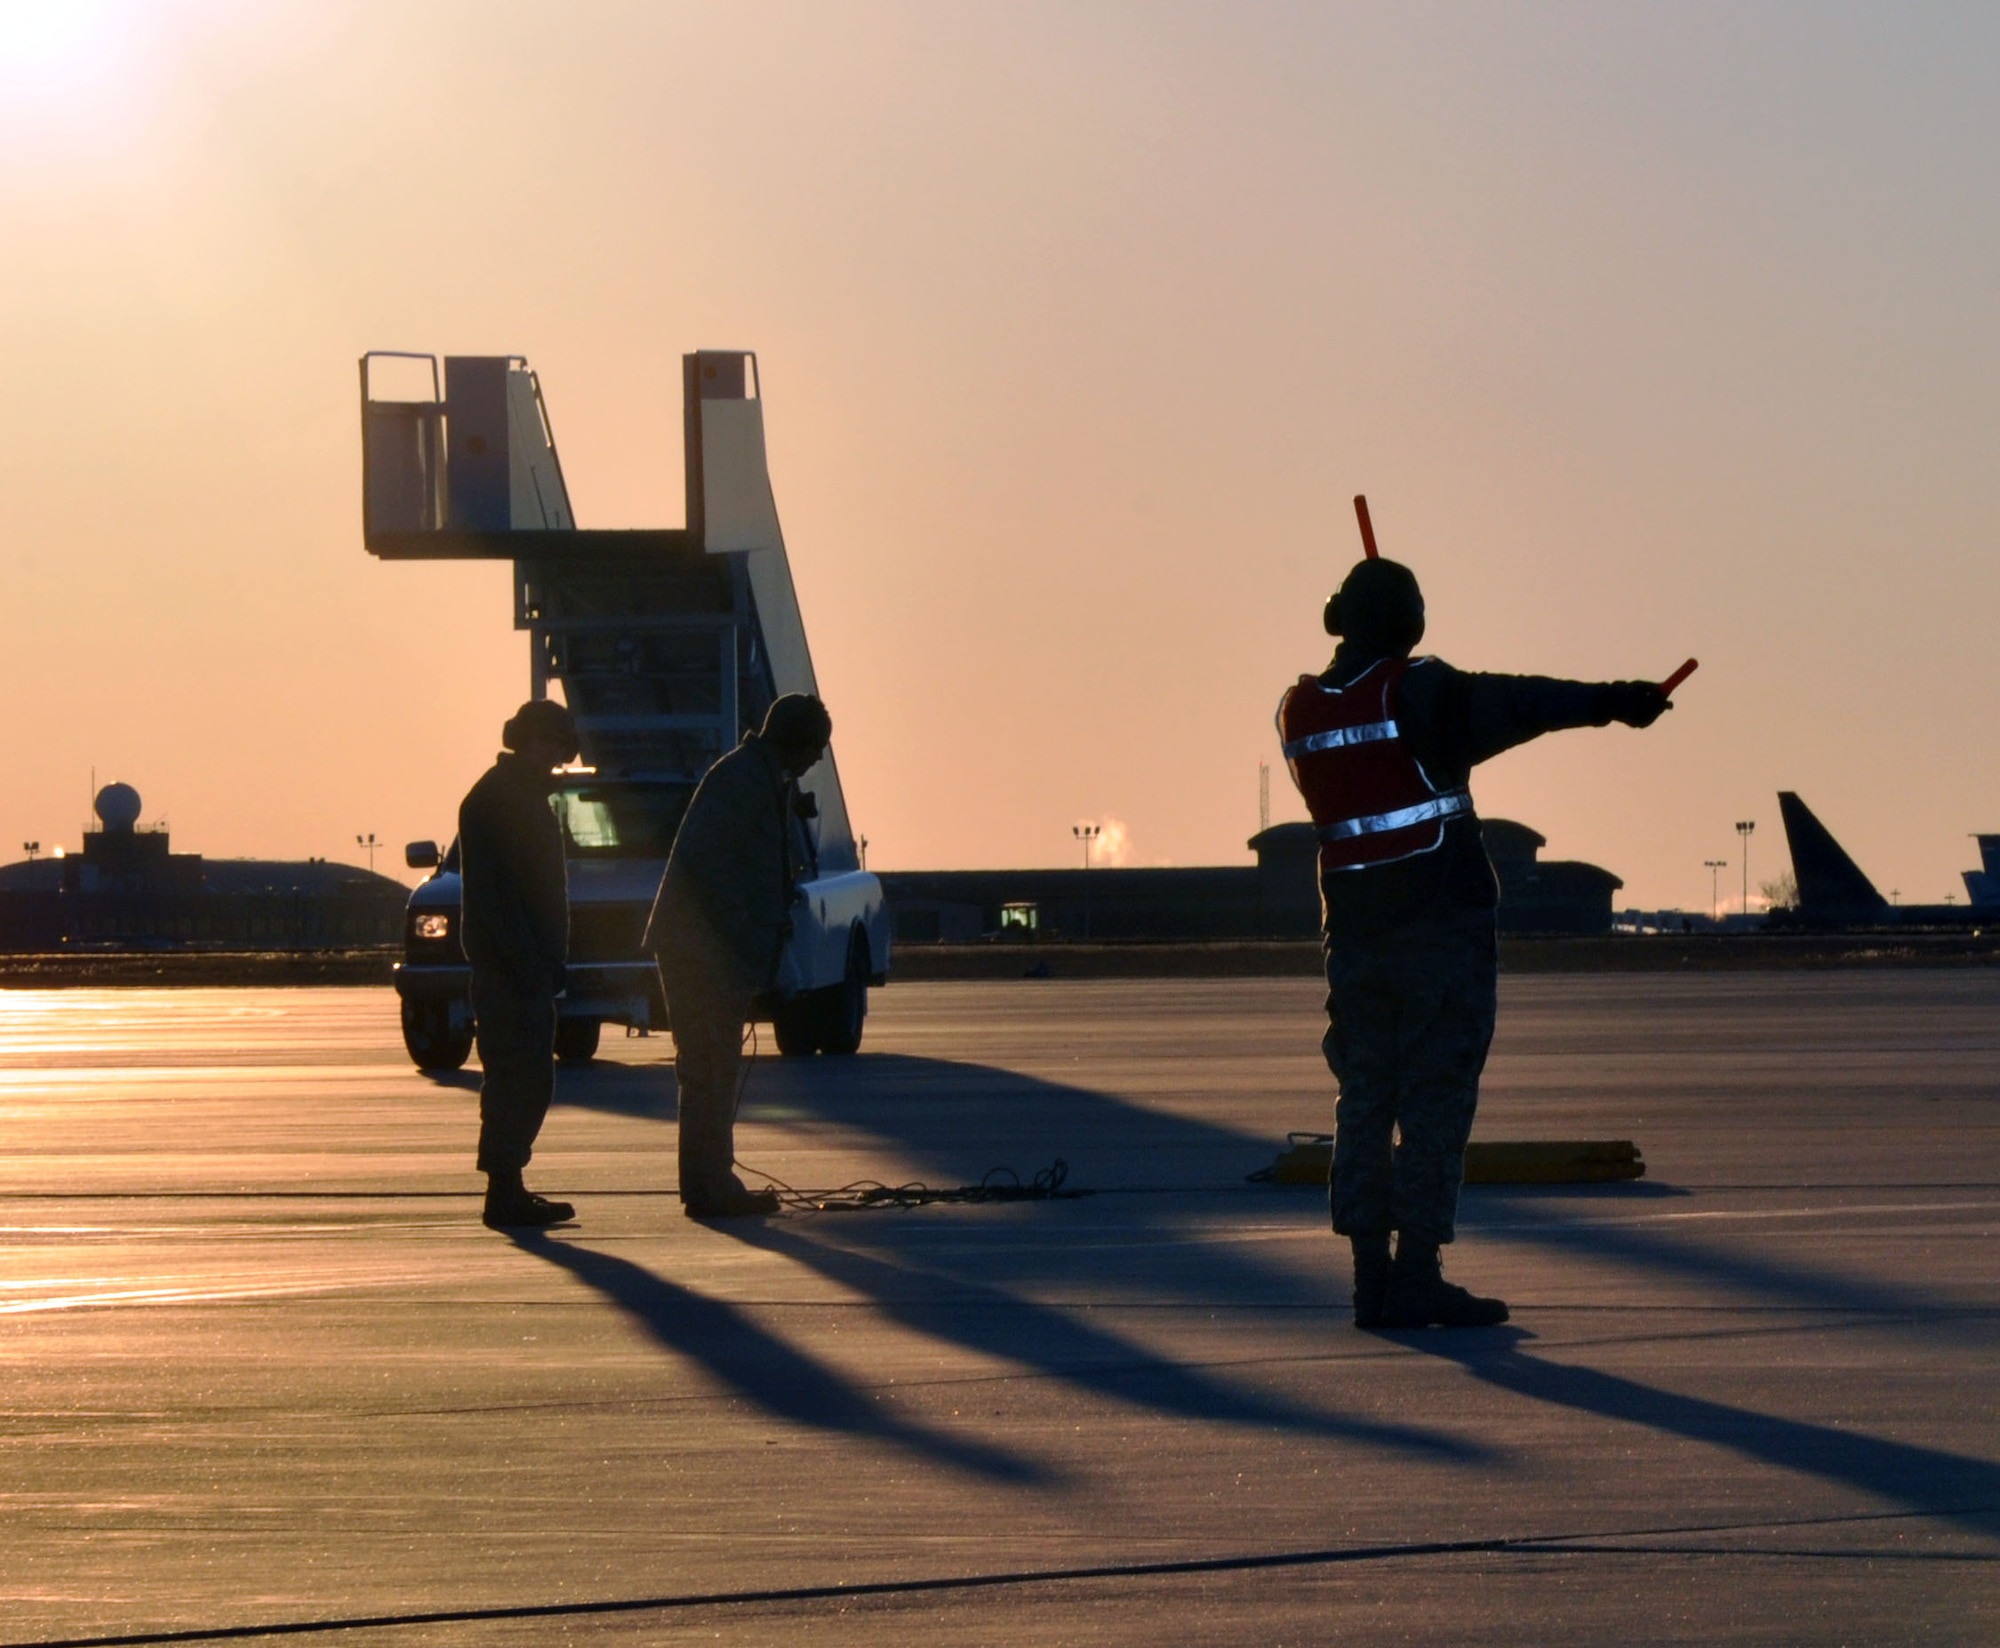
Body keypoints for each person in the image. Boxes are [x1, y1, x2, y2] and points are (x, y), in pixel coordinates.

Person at [1278, 557, 1669, 1329]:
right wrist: (1613, 703)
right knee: (1434, 1103)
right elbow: (1519, 703)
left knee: (1363, 1099)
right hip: (1436, 928)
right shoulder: (1415, 692)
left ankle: (1370, 1280)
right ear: (1406, 623)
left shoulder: (1300, 711)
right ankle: (1416, 1273)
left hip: (1353, 935)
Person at [645, 693, 832, 1218]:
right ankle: (710, 1186)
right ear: (793, 742)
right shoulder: (743, 781)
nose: (816, 760)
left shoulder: (761, 779)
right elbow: (714, 873)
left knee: (713, 1069)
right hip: (702, 951)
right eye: (814, 748)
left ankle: (707, 1182)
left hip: (711, 949)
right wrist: (742, 943)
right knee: (708, 1069)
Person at [459, 699, 580, 1230]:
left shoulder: (526, 797)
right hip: (510, 967)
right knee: (516, 1076)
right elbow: (497, 897)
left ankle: (508, 1184)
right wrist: (528, 960)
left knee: (530, 1076)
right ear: (527, 740)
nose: (557, 757)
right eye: (551, 744)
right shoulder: (495, 800)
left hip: (528, 964)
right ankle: (503, 1189)